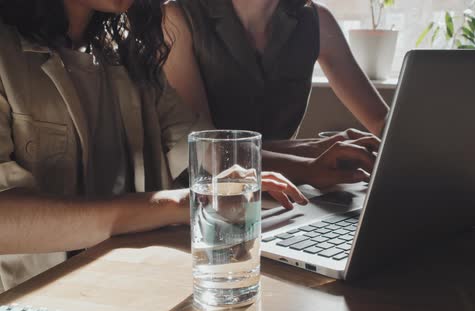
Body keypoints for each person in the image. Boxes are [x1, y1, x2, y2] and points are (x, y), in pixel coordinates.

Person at [0, 0, 307, 293]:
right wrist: (184, 203)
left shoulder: (126, 52)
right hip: (34, 305)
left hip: (135, 285)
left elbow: (200, 147)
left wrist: (312, 166)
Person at [162, 0, 390, 189]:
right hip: (200, 200)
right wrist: (312, 153)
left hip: (285, 191)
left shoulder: (316, 21)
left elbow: (385, 123)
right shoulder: (178, 18)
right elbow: (204, 152)